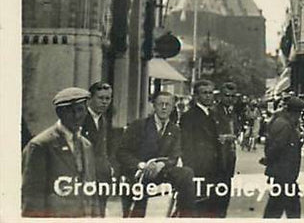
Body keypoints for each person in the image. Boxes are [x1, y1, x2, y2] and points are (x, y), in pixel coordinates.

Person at [116, 90, 198, 217]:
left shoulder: (174, 129)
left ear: (172, 108)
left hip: (161, 171)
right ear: (154, 105)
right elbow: (122, 152)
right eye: (160, 104)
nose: (164, 107)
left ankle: (186, 215)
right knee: (138, 196)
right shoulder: (139, 125)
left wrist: (161, 165)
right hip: (139, 172)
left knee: (186, 173)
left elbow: (174, 155)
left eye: (168, 104)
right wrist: (141, 165)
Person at [22, 87, 99, 217]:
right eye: (70, 111)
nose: (76, 116)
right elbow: (32, 197)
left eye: (80, 110)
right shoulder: (41, 145)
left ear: (86, 111)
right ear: (59, 113)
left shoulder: (86, 145)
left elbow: (91, 190)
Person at [180, 80, 237, 217]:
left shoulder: (213, 115)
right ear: (196, 96)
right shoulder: (189, 117)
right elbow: (187, 147)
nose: (208, 96)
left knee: (217, 208)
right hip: (201, 172)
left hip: (218, 170)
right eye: (204, 93)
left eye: (210, 93)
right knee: (202, 210)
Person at [262, 96, 304, 218]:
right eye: (299, 113)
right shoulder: (284, 125)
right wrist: (270, 161)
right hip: (284, 173)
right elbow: (277, 147)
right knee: (288, 208)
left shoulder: (284, 122)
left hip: (284, 173)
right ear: (294, 112)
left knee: (277, 206)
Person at [81, 81, 116, 215]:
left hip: (102, 177)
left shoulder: (103, 120)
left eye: (108, 98)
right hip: (86, 176)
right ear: (90, 99)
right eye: (100, 98)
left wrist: (110, 167)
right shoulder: (81, 118)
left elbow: (106, 148)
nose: (105, 102)